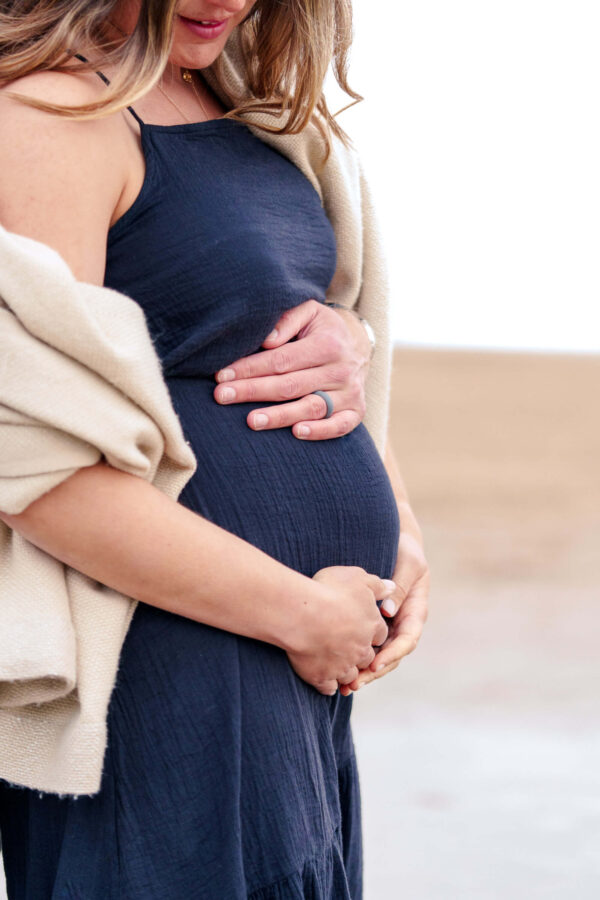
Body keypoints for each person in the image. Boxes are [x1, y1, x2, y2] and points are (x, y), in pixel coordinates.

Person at [0, 1, 429, 897]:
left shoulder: (244, 113)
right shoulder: (52, 115)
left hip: (282, 668)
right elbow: (33, 462)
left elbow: (278, 337)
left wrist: (403, 535)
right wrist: (302, 616)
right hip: (175, 664)